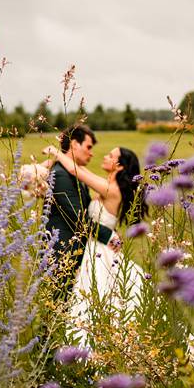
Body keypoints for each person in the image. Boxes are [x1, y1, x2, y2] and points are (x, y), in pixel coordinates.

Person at [52, 144, 148, 347]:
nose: (104, 156)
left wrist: (56, 152)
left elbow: (74, 170)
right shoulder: (107, 184)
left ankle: (91, 345)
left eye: (110, 155)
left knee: (96, 294)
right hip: (95, 246)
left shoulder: (111, 189)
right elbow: (81, 169)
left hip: (100, 250)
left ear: (119, 166)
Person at [42, 125, 116, 304]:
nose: (91, 153)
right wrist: (108, 235)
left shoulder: (72, 173)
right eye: (89, 147)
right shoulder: (60, 175)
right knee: (57, 313)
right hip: (61, 255)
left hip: (78, 255)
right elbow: (77, 219)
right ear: (75, 144)